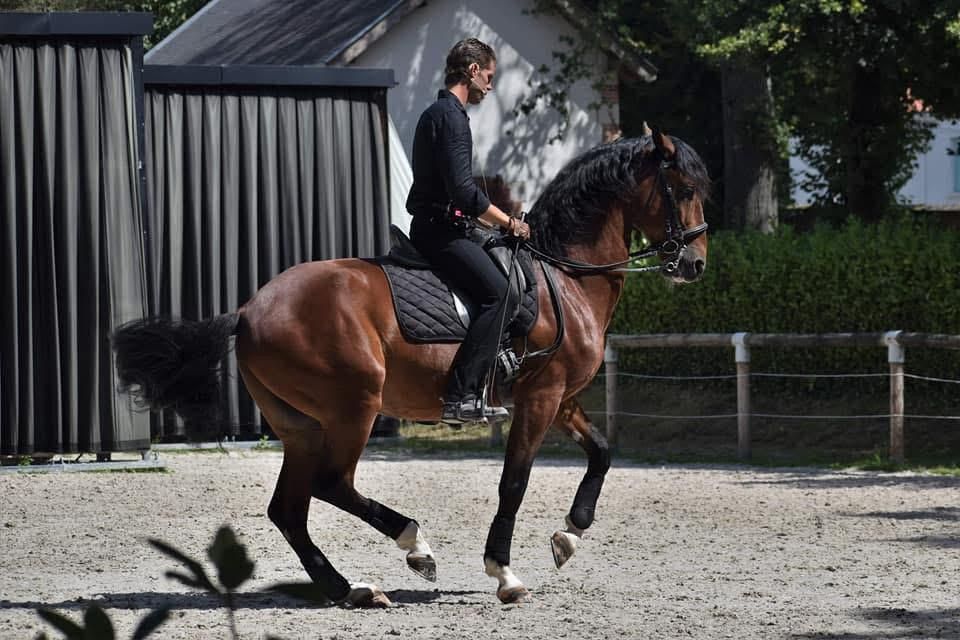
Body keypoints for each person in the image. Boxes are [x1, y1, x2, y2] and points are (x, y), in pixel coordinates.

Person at [406, 37, 531, 424]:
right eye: (489, 77)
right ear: (472, 71)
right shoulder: (452, 117)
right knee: (503, 295)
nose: (490, 87)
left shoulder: (438, 114)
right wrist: (510, 222)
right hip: (439, 232)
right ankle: (460, 395)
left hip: (442, 224)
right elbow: (464, 192)